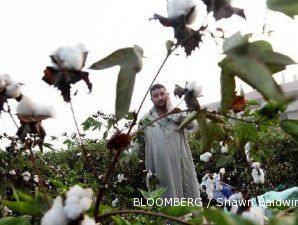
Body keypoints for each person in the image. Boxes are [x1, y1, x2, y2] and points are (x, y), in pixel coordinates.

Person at [134, 83, 200, 201]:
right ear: (151, 99)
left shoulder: (177, 113)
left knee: (187, 194)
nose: (160, 98)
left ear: (167, 95)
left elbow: (191, 125)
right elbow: (137, 144)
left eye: (162, 94)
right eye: (156, 96)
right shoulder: (145, 120)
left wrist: (172, 111)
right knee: (164, 198)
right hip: (159, 168)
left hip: (180, 164)